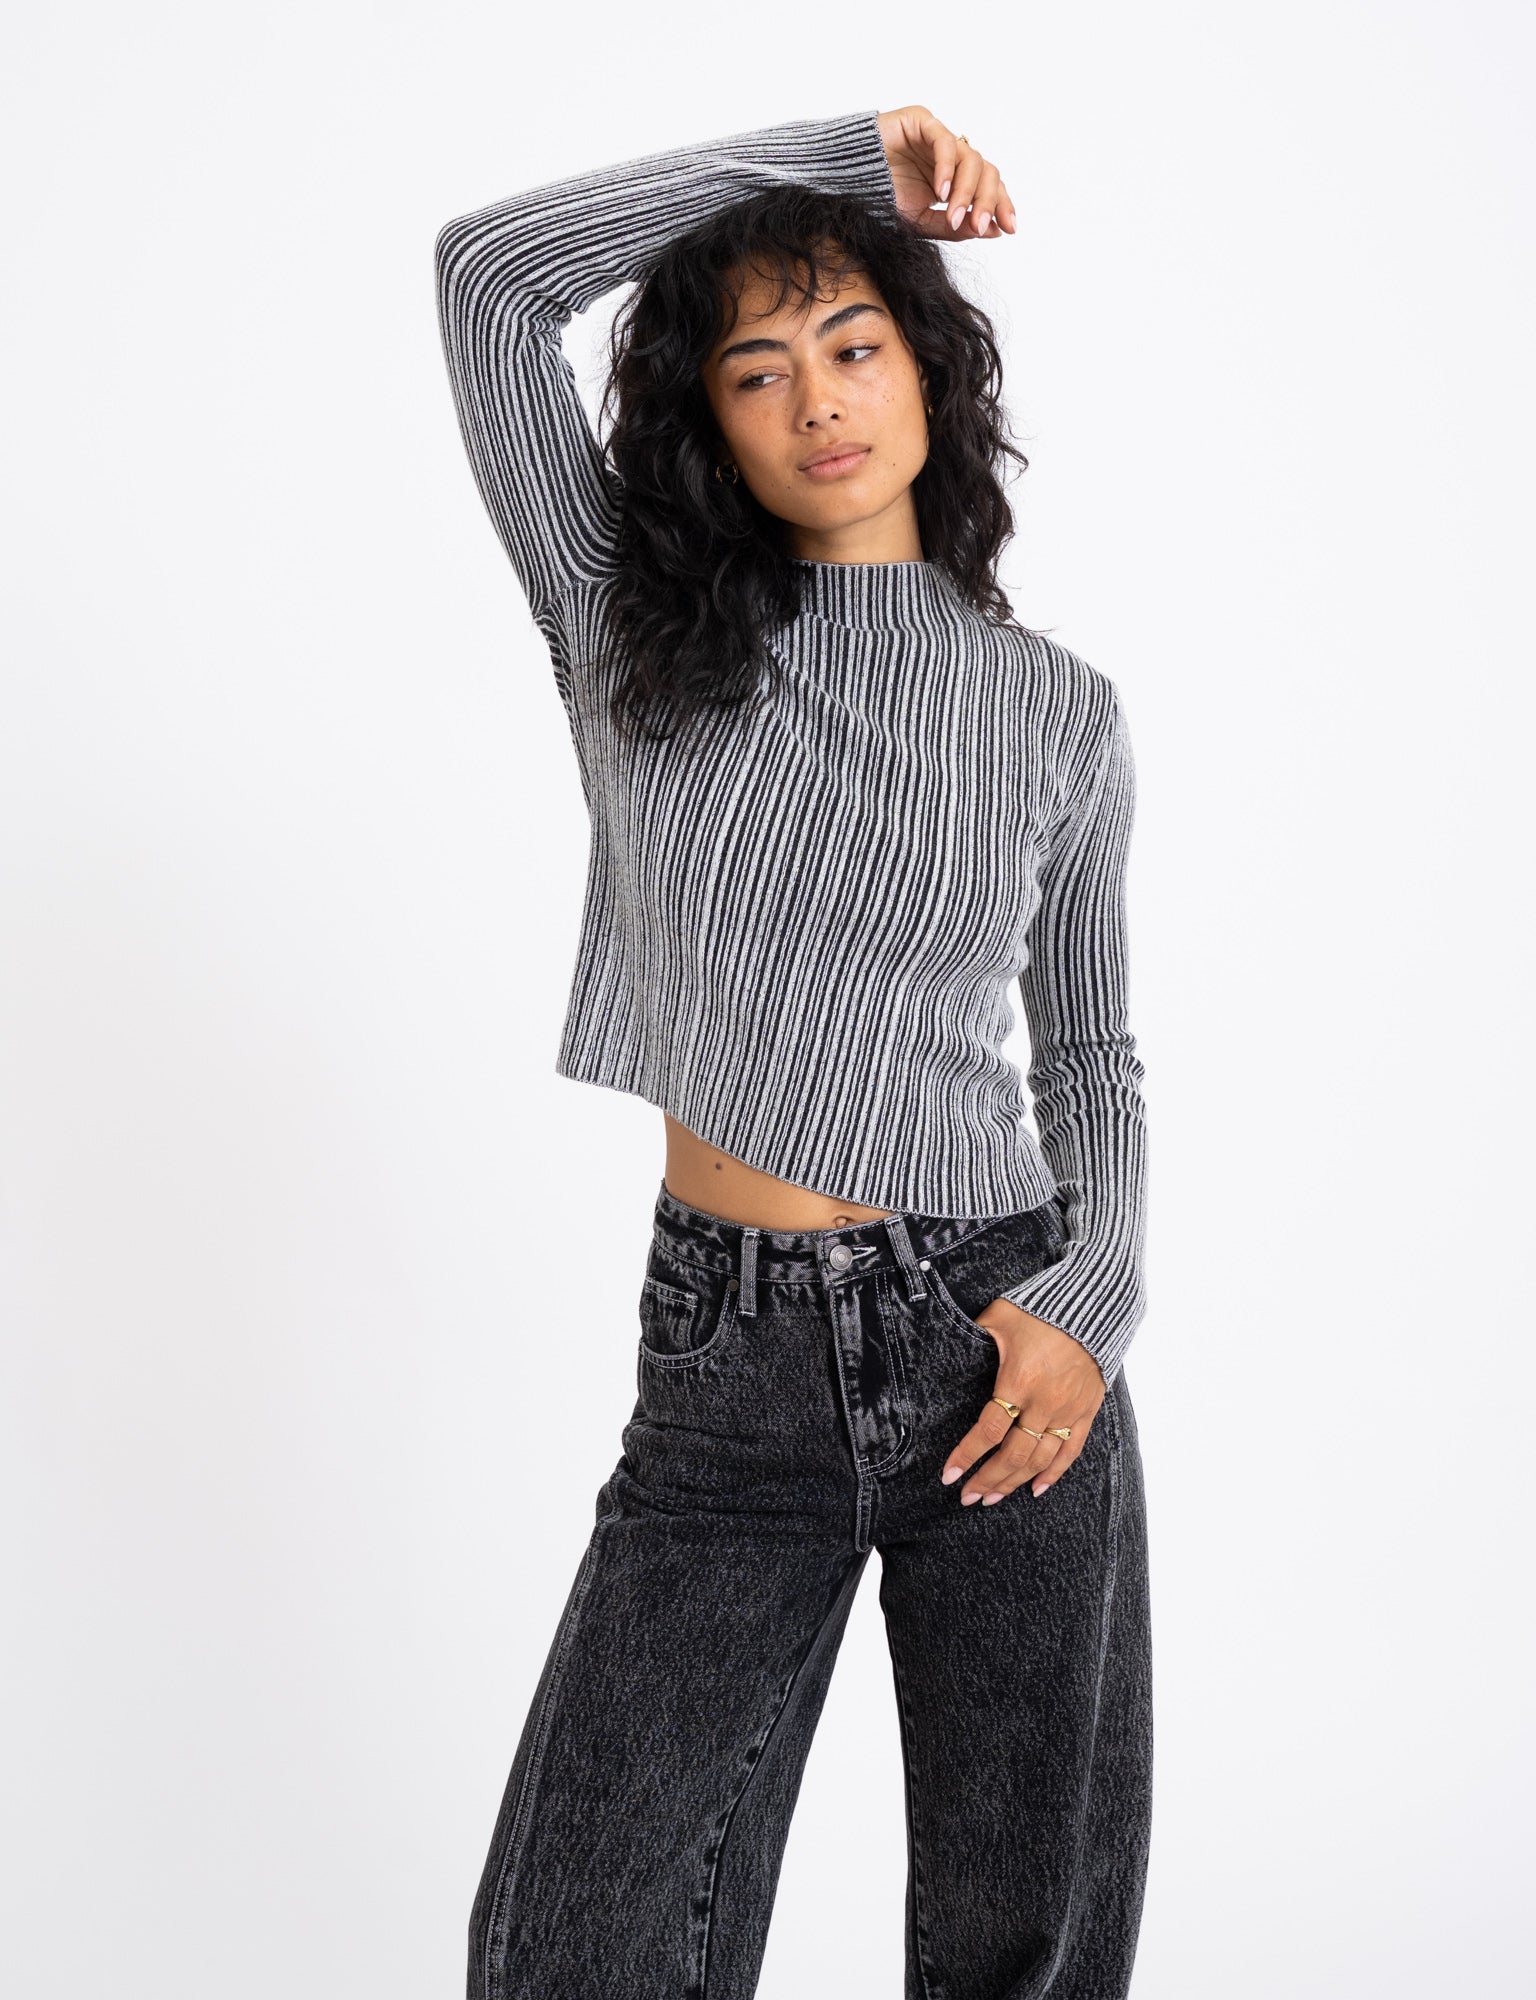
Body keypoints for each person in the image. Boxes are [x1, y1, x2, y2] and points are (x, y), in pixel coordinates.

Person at [433, 102, 1153, 2000]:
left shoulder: (1059, 712)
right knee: (575, 1942)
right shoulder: (629, 631)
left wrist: (1094, 1299)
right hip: (727, 1357)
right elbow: (487, 279)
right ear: (713, 426)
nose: (816, 398)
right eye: (757, 370)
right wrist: (846, 163)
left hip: (1001, 1334)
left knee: (1025, 1938)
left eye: (852, 343)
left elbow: (1091, 1049)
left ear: (930, 373)